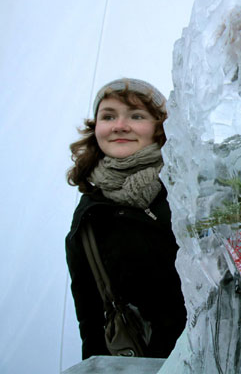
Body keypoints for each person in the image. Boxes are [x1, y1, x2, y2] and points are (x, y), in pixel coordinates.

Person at [65, 78, 186, 359]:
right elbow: (93, 322)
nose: (120, 125)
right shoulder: (90, 215)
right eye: (108, 116)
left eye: (136, 115)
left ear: (160, 126)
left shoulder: (193, 185)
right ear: (96, 128)